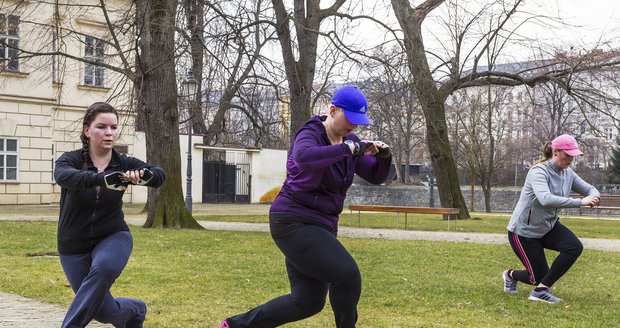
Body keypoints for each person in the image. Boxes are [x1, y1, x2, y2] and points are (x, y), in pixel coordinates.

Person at [220, 86, 392, 328]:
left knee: (307, 301)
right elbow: (304, 157)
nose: (353, 126)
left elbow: (375, 175)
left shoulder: (349, 141)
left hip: (322, 226)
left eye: (358, 122)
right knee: (347, 275)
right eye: (350, 119)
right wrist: (348, 149)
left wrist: (385, 157)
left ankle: (235, 326)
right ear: (332, 110)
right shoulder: (310, 133)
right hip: (293, 221)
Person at [54, 102, 165, 327]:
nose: (109, 133)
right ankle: (136, 309)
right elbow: (63, 176)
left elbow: (159, 174)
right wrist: (101, 178)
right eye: (102, 126)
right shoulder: (72, 160)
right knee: (103, 313)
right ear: (87, 131)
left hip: (113, 237)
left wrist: (143, 176)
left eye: (113, 127)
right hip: (73, 246)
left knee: (103, 267)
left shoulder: (123, 163)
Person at [502, 134, 600, 304]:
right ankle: (510, 275)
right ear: (555, 151)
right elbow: (545, 199)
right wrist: (580, 202)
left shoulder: (567, 173)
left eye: (573, 155)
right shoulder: (538, 171)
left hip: (548, 226)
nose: (571, 159)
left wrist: (594, 196)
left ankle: (540, 291)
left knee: (573, 247)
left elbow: (590, 189)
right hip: (524, 232)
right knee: (536, 276)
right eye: (568, 154)